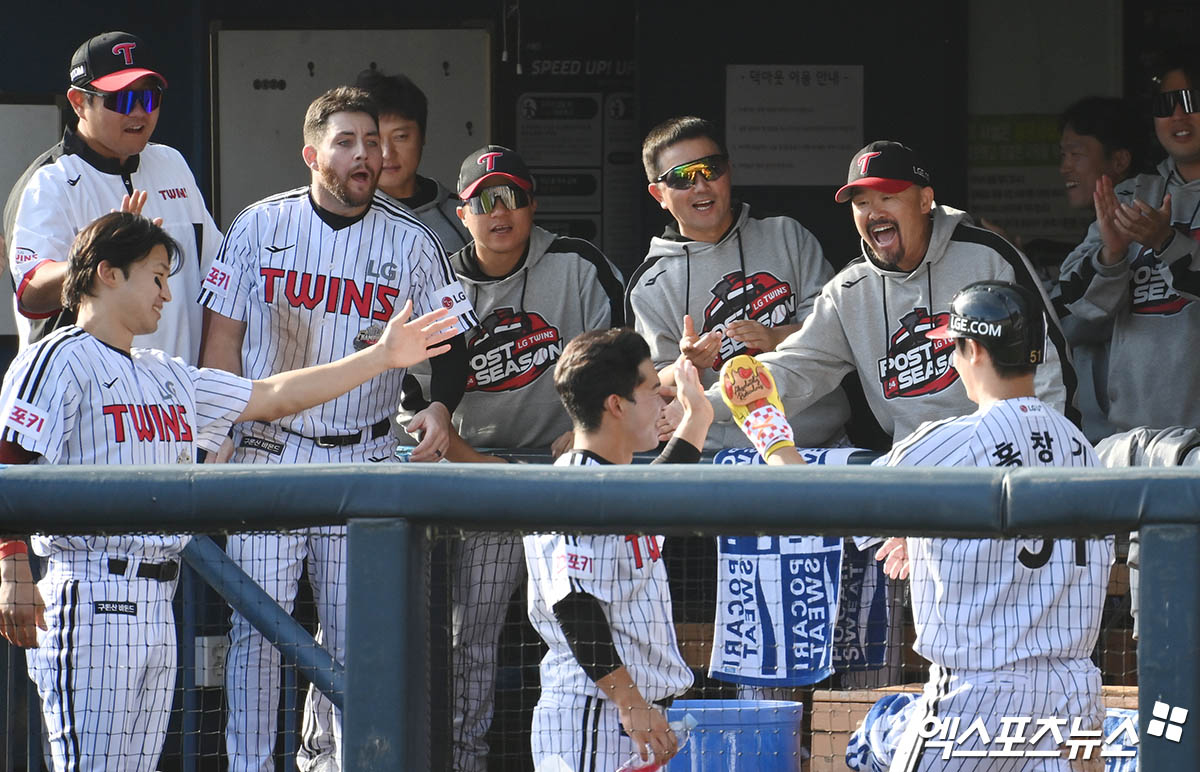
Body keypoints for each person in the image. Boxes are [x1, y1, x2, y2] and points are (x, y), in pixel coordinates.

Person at [0, 211, 457, 772]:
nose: (169, 294)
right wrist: (11, 568)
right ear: (108, 274)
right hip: (90, 590)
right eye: (158, 276)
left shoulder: (164, 373)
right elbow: (9, 463)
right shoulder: (56, 357)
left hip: (156, 604)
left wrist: (381, 357)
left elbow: (274, 394)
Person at [196, 85, 477, 772]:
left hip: (368, 454)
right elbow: (222, 339)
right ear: (312, 152)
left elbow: (454, 345)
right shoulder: (259, 226)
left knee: (361, 643)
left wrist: (442, 405)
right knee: (257, 636)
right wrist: (217, 430)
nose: (366, 155)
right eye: (348, 141)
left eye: (374, 143)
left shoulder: (414, 240)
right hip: (269, 451)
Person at [725, 281, 1112, 771]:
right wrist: (922, 528)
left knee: (871, 743)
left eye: (954, 348)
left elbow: (816, 504)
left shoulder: (947, 443)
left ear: (972, 349)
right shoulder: (1082, 448)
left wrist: (767, 429)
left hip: (980, 697)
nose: (951, 360)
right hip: (1075, 696)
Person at [401, 145, 624, 772]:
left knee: (598, 621)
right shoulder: (436, 281)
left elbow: (627, 360)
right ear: (462, 212)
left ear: (533, 204)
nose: (502, 212)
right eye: (485, 200)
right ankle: (465, 760)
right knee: (472, 636)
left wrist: (586, 434)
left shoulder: (577, 263)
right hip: (480, 473)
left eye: (515, 197)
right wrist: (487, 469)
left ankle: (607, 752)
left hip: (571, 475)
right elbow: (414, 410)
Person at [710, 140, 1077, 447]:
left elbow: (1045, 362)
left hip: (999, 453)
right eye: (861, 203)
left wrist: (1044, 460)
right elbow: (795, 367)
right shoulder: (849, 290)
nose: (873, 212)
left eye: (888, 197)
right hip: (911, 463)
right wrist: (706, 406)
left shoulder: (987, 257)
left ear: (924, 201)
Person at [525, 328, 708, 771]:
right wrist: (630, 702)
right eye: (651, 390)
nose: (663, 401)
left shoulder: (616, 478)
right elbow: (575, 604)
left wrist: (697, 414)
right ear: (616, 404)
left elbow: (659, 489)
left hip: (625, 708)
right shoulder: (574, 484)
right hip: (596, 710)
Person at [625, 115, 849, 450]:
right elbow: (649, 387)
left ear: (729, 171)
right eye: (682, 178)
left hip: (821, 445)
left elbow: (838, 332)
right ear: (659, 193)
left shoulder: (786, 235)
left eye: (711, 169)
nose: (701, 186)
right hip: (718, 458)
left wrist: (776, 336)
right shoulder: (650, 283)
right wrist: (688, 365)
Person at [4, 31, 220, 362]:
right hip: (88, 396)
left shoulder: (171, 163)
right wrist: (100, 252)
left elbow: (214, 273)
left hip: (172, 391)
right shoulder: (49, 181)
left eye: (149, 98)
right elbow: (31, 294)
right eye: (119, 99)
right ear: (79, 103)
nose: (137, 113)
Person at [1053, 48, 1200, 432]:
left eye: (1192, 101)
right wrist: (1111, 254)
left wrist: (1168, 243)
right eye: (1167, 104)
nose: (1179, 116)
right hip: (1132, 439)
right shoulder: (1130, 195)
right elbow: (1070, 309)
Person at [354, 68, 471, 253]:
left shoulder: (461, 216)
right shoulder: (344, 215)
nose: (387, 153)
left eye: (400, 137)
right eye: (373, 141)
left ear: (422, 136)